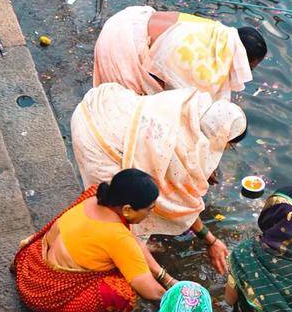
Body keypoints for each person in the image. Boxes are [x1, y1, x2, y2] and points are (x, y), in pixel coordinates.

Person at [71, 84, 247, 274]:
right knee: (135, 205)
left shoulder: (188, 103)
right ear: (221, 138)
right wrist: (209, 240)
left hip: (99, 106)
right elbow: (181, 205)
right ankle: (131, 251)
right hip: (97, 143)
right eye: (228, 145)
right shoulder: (175, 150)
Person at [12, 169, 174, 312]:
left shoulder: (92, 196)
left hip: (30, 268)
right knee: (123, 291)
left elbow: (131, 242)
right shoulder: (118, 237)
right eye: (149, 210)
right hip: (45, 299)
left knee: (126, 262)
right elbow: (149, 290)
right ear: (127, 209)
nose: (150, 215)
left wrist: (164, 277)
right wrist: (178, 306)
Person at [93, 6, 267, 100]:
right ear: (240, 58)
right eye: (248, 68)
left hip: (128, 17)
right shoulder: (204, 67)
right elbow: (184, 106)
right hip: (119, 44)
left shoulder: (216, 31)